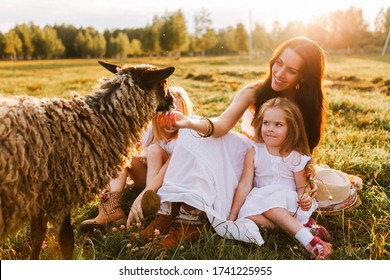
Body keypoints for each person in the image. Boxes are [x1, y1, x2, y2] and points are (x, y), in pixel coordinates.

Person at [141, 36, 330, 253]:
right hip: (248, 161)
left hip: (269, 175)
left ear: (304, 76)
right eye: (278, 62)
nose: (279, 73)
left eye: (291, 70)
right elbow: (221, 124)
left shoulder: (306, 106)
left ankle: (190, 223)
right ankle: (168, 214)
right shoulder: (254, 92)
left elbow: (303, 152)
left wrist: (309, 178)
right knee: (192, 133)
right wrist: (187, 122)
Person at [228, 97, 331, 259]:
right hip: (261, 197)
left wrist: (305, 198)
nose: (270, 128)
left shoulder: (295, 156)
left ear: (291, 128)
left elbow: (301, 187)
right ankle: (304, 228)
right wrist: (233, 214)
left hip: (287, 201)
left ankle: (311, 242)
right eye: (266, 123)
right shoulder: (254, 152)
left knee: (271, 206)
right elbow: (245, 184)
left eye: (278, 125)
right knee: (247, 215)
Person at [79, 86, 193, 232]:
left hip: (168, 181)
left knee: (154, 150)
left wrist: (151, 158)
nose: (169, 119)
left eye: (176, 114)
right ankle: (110, 208)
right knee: (123, 155)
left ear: (185, 114)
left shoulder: (186, 136)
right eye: (164, 113)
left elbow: (166, 169)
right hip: (147, 176)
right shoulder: (150, 130)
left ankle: (149, 206)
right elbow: (126, 148)